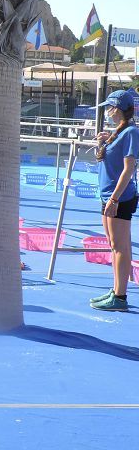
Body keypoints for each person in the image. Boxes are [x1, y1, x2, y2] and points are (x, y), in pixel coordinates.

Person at [90, 90, 139, 311]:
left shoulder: (130, 132)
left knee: (120, 247)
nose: (107, 112)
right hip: (109, 195)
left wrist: (115, 198)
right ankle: (116, 289)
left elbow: (129, 169)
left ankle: (120, 297)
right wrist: (103, 142)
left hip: (119, 197)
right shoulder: (117, 133)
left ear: (116, 109)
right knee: (114, 245)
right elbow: (107, 162)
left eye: (109, 108)